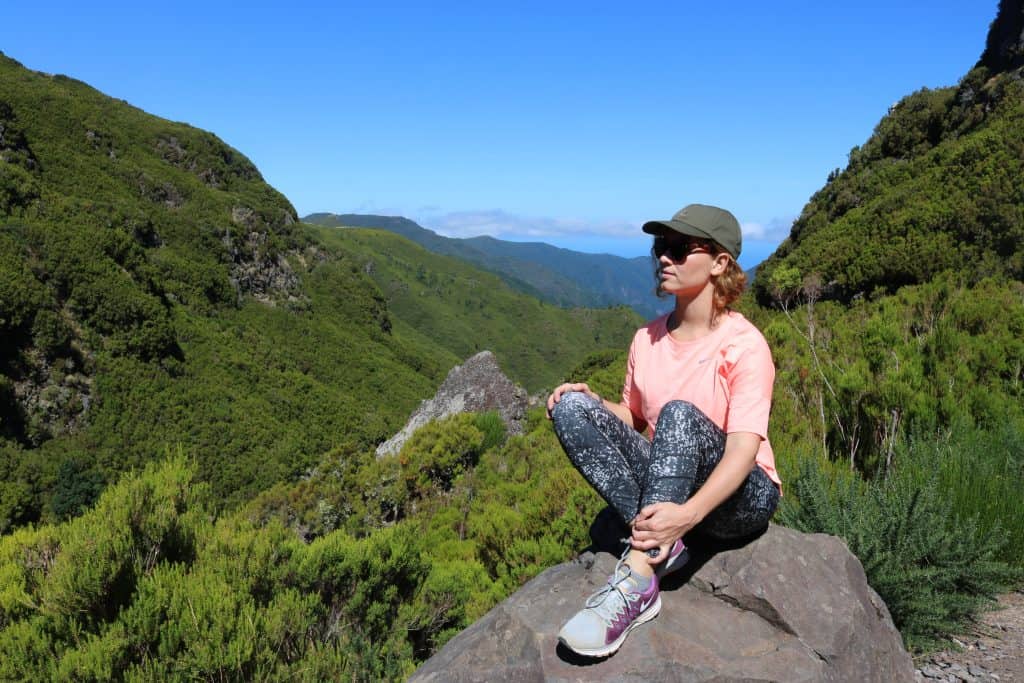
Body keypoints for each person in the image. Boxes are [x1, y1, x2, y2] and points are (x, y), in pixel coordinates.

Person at [546, 203, 781, 658]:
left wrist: (687, 516)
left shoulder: (744, 345)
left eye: (679, 248)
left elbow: (742, 452)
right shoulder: (646, 339)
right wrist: (592, 404)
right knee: (571, 407)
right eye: (660, 247)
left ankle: (638, 578)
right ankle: (665, 544)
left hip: (741, 499)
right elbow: (635, 417)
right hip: (671, 487)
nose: (664, 259)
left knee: (680, 413)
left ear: (720, 263)